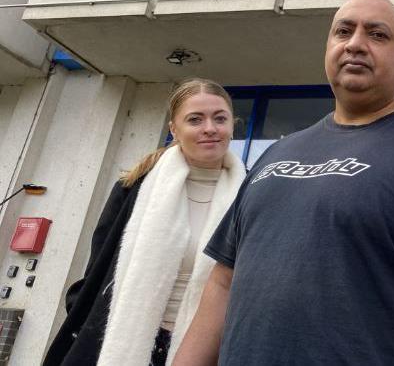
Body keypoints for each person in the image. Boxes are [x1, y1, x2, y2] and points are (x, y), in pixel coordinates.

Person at [174, 0, 394, 365]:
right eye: (343, 32)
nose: (355, 44)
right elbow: (223, 283)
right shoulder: (276, 155)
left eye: (377, 35)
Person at [44, 78, 246, 366]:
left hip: (209, 350)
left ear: (232, 125)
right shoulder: (133, 189)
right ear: (174, 129)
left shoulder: (252, 195)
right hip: (122, 344)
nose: (210, 128)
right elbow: (98, 271)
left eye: (220, 118)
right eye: (195, 119)